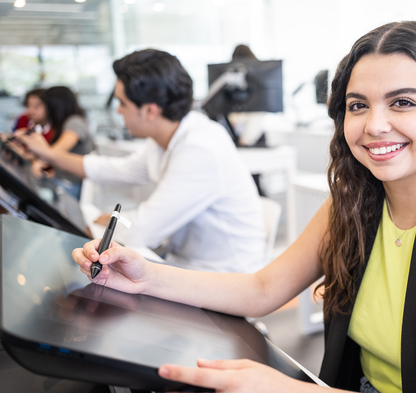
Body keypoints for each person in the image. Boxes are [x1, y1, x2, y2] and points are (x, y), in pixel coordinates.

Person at [72, 22, 416, 393]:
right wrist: (145, 277)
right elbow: (262, 288)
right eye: (358, 105)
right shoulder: (354, 206)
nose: (375, 125)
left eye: (404, 102)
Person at [18, 49, 266, 274]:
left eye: (122, 103)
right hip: (186, 263)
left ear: (150, 111)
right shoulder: (163, 139)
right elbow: (115, 170)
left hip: (224, 277)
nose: (118, 111)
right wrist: (49, 154)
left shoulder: (200, 149)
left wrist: (113, 219)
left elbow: (142, 231)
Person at [13, 86, 93, 197]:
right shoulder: (62, 124)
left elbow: (54, 152)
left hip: (70, 184)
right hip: (62, 180)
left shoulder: (74, 122)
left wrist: (30, 143)